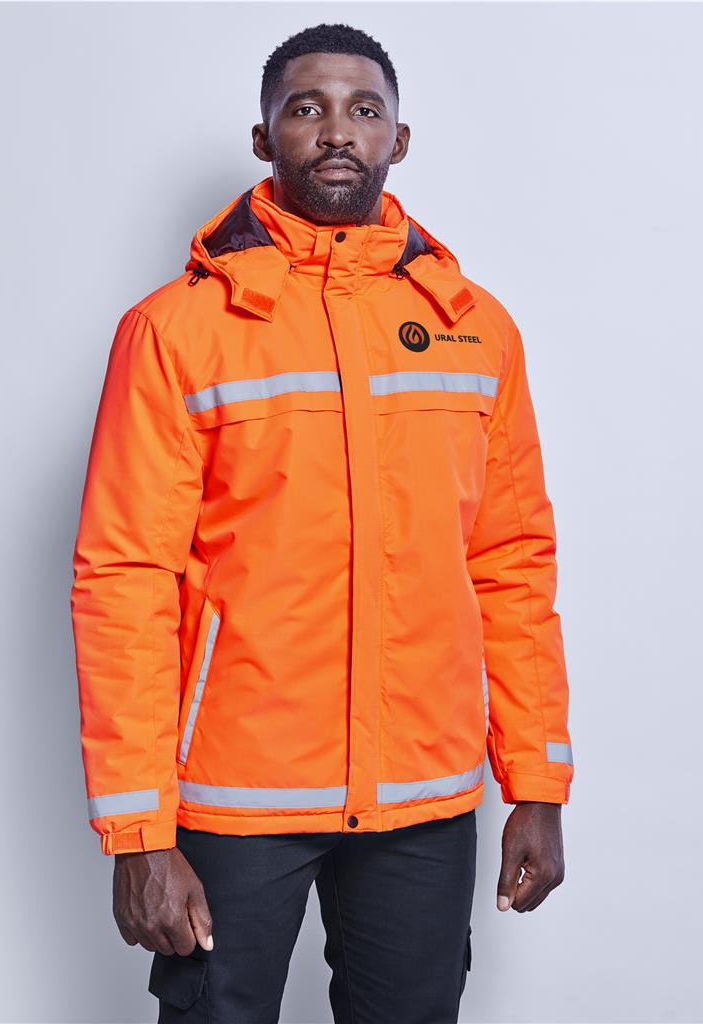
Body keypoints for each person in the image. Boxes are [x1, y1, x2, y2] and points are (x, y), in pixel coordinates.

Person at [70, 22, 575, 1024]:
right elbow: (122, 577)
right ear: (265, 138)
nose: (337, 130)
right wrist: (137, 833)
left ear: (399, 138)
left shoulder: (476, 329)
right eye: (306, 108)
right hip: (235, 794)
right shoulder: (176, 330)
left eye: (363, 109)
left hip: (423, 796)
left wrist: (538, 781)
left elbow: (512, 564)